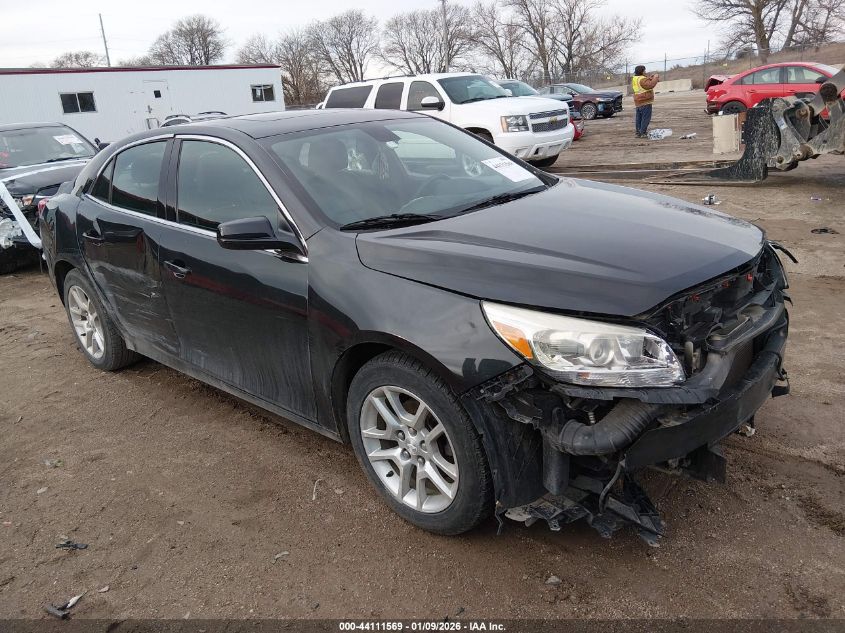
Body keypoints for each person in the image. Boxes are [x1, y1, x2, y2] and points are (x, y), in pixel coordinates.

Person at [632, 66, 659, 138]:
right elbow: (650, 85)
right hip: (645, 101)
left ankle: (638, 132)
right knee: (645, 118)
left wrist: (650, 78)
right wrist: (655, 78)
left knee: (639, 118)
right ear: (642, 71)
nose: (645, 72)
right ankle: (643, 133)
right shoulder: (642, 79)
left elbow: (643, 83)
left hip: (638, 102)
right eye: (644, 70)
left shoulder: (635, 78)